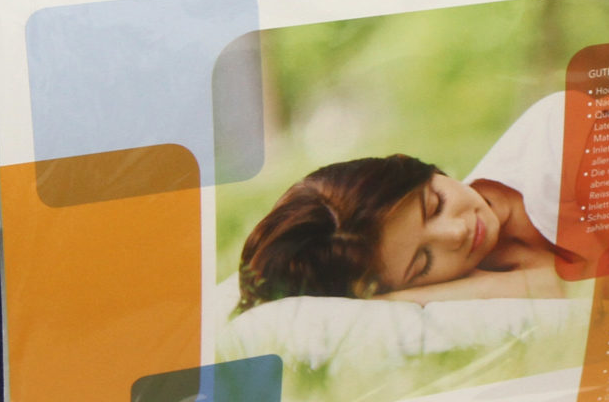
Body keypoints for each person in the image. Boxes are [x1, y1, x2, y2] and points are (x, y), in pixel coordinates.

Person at [236, 94, 579, 311]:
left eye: (435, 205)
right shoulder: (483, 265)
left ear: (425, 170)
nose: (456, 233)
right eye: (424, 262)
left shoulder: (561, 144)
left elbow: (597, 292)